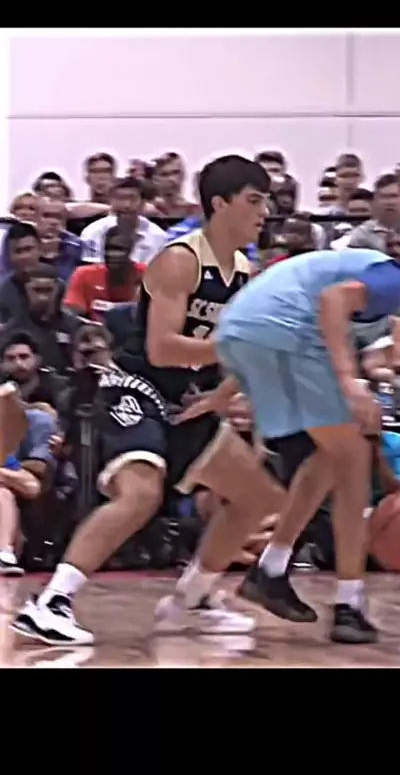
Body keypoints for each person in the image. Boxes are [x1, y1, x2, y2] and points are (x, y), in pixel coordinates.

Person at [10, 155, 284, 645]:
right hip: (135, 387)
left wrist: (223, 394)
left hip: (185, 399)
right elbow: (162, 348)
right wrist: (234, 346)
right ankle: (50, 603)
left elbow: (232, 352)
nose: (265, 212)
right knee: (140, 493)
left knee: (257, 497)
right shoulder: (181, 259)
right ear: (220, 204)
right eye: (254, 200)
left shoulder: (243, 269)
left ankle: (191, 600)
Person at [179, 233, 400, 643]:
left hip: (253, 331)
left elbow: (265, 326)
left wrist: (227, 389)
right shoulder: (395, 281)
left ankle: (272, 568)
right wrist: (348, 382)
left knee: (331, 455)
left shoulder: (379, 302)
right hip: (279, 331)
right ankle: (347, 603)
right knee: (355, 455)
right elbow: (332, 300)